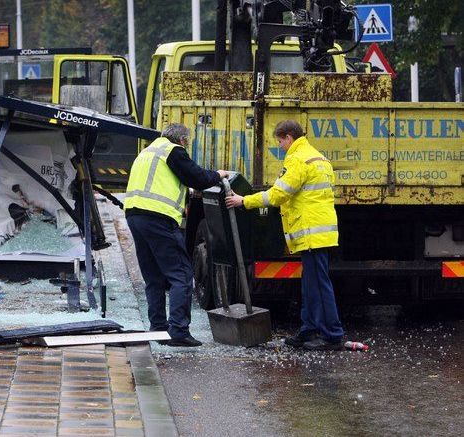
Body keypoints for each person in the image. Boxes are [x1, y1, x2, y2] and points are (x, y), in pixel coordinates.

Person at [225, 120, 344, 351]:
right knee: (311, 285)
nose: (280, 146)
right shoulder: (318, 157)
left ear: (289, 137)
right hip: (319, 230)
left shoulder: (297, 159)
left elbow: (279, 194)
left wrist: (244, 201)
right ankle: (308, 330)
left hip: (311, 232)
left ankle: (333, 335)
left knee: (318, 285)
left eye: (280, 141)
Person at [124, 123, 229, 347]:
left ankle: (158, 328)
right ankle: (179, 331)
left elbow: (165, 181)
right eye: (186, 143)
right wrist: (218, 175)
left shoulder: (147, 152)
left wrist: (187, 193)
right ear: (182, 140)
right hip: (158, 218)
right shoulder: (173, 150)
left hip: (135, 216)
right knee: (181, 274)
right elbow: (197, 176)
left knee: (154, 277)